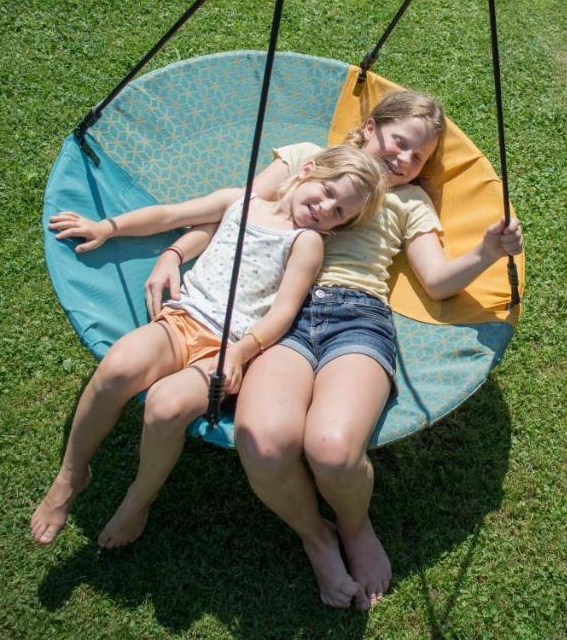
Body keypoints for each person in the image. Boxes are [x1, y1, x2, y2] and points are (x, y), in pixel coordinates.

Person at [147, 90, 523, 609]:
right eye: (400, 143)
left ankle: (355, 525)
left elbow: (436, 281)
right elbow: (238, 215)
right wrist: (174, 251)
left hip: (356, 316)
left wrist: (486, 251)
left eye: (420, 158)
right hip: (280, 316)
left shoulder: (410, 201)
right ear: (369, 127)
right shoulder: (308, 160)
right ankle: (315, 535)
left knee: (331, 448)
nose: (406, 161)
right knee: (263, 439)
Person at [30, 145, 385, 549]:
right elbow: (171, 215)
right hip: (181, 321)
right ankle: (72, 473)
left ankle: (139, 498)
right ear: (308, 170)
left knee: (165, 406)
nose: (325, 208)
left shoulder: (306, 243)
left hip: (226, 348)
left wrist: (239, 353)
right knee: (117, 366)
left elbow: (283, 312)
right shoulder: (240, 201)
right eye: (326, 192)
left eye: (339, 212)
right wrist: (109, 228)